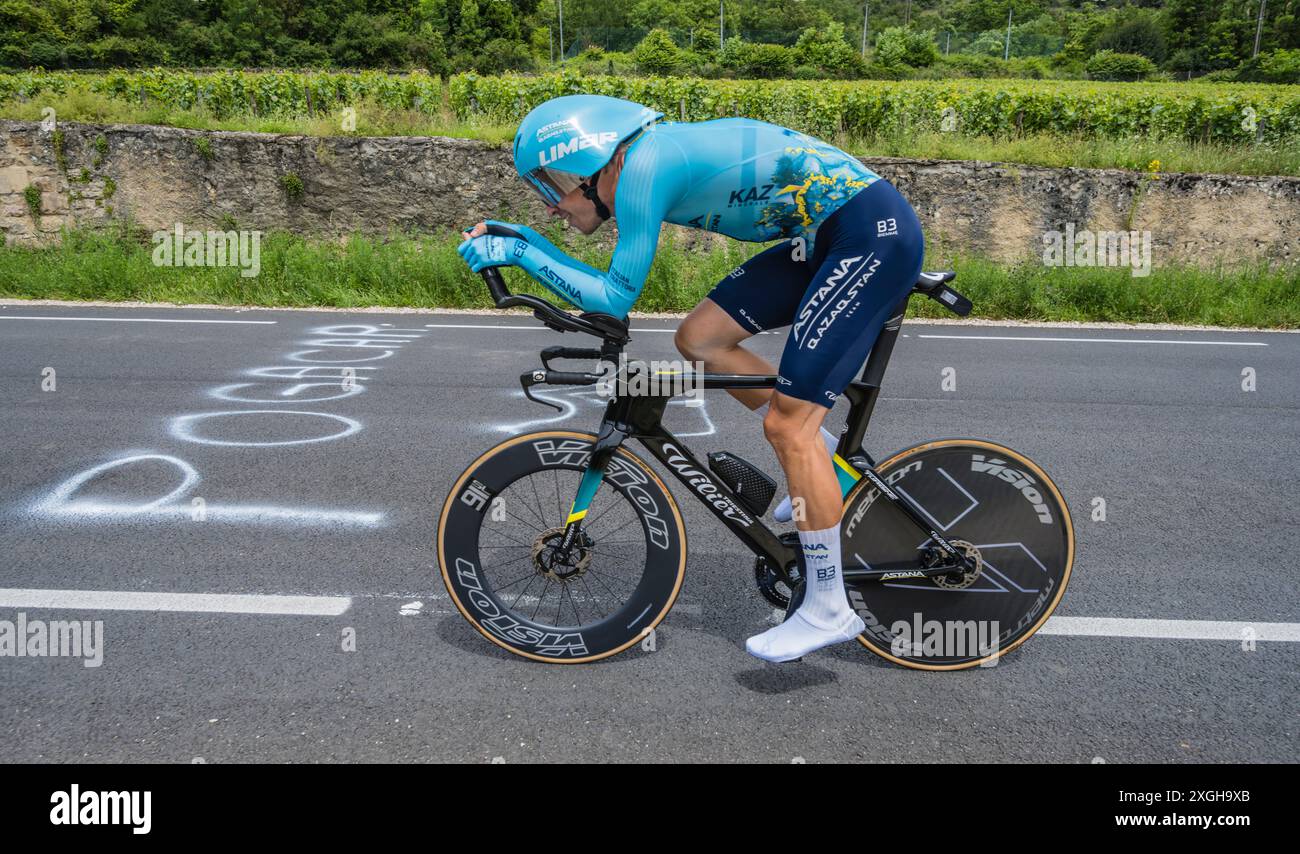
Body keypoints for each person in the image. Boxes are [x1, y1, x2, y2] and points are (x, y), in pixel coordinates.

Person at [459, 94, 925, 663]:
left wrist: (525, 255)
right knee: (700, 340)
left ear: (597, 161)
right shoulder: (639, 159)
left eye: (553, 182)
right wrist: (526, 245)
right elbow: (606, 292)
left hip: (868, 235)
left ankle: (828, 606)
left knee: (788, 427)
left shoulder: (643, 168)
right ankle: (829, 465)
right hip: (825, 236)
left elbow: (612, 299)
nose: (551, 204)